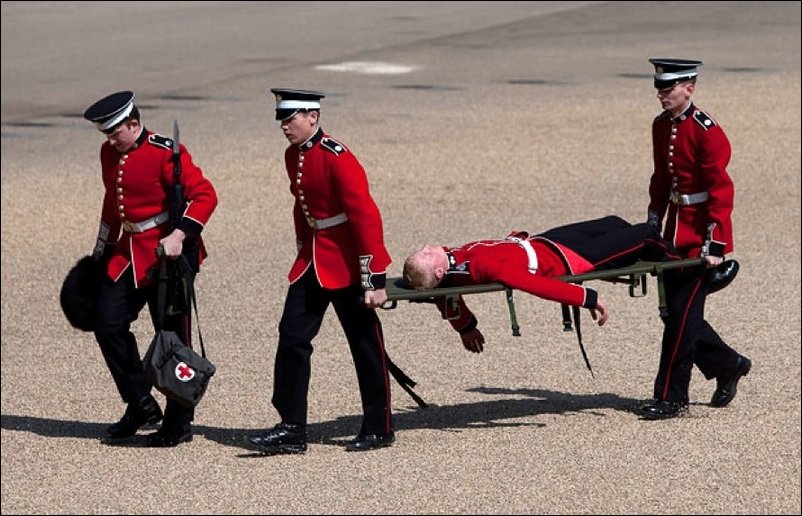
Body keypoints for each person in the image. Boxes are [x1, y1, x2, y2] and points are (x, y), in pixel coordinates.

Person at [245, 89, 395, 454]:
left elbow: (365, 216)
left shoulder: (337, 157)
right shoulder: (292, 155)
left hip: (345, 263)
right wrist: (301, 249)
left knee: (364, 344)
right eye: (282, 119)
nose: (285, 126)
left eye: (291, 118)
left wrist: (372, 276)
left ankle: (379, 426)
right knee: (292, 338)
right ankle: (292, 427)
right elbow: (303, 207)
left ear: (313, 117)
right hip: (313, 260)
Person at [83, 91, 218, 446]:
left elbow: (205, 195)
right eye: (106, 135)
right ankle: (140, 402)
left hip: (166, 258)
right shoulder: (109, 153)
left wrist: (180, 235)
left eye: (116, 133)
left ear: (133, 123)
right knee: (107, 322)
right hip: (127, 253)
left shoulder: (166, 152)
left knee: (172, 338)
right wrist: (99, 255)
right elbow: (114, 205)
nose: (111, 140)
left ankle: (179, 420)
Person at [636, 59, 751, 420]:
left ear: (690, 88)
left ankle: (673, 398)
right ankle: (729, 363)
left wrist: (714, 243)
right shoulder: (661, 126)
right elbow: (661, 176)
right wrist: (654, 218)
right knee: (674, 313)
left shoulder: (707, 130)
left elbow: (720, 189)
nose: (661, 95)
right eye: (659, 88)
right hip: (673, 227)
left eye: (668, 89)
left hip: (699, 234)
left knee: (682, 319)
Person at [403, 215, 664, 352]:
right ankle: (685, 260)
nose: (427, 247)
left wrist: (465, 327)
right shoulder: (475, 269)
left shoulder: (448, 264)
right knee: (645, 235)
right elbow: (534, 285)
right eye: (425, 254)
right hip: (566, 259)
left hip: (545, 242)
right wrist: (587, 298)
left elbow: (445, 295)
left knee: (613, 223)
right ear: (438, 272)